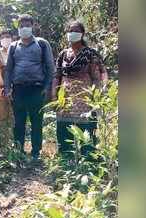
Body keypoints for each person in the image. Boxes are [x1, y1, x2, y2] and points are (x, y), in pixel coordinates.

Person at [52, 21, 108, 158]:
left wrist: (97, 96)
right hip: (65, 96)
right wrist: (54, 94)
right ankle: (66, 156)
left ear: (82, 34)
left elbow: (97, 76)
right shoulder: (63, 54)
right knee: (64, 126)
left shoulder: (90, 54)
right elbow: (56, 76)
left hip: (84, 97)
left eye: (76, 30)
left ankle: (87, 157)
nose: (72, 33)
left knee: (86, 127)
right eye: (70, 30)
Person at [3, 14, 56, 160]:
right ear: (18, 28)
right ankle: (18, 151)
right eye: (21, 26)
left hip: (36, 89)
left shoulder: (42, 44)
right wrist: (7, 88)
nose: (24, 28)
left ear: (33, 26)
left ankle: (36, 152)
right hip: (18, 89)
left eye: (27, 25)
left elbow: (51, 68)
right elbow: (8, 69)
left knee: (36, 121)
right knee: (18, 122)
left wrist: (47, 87)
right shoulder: (13, 46)